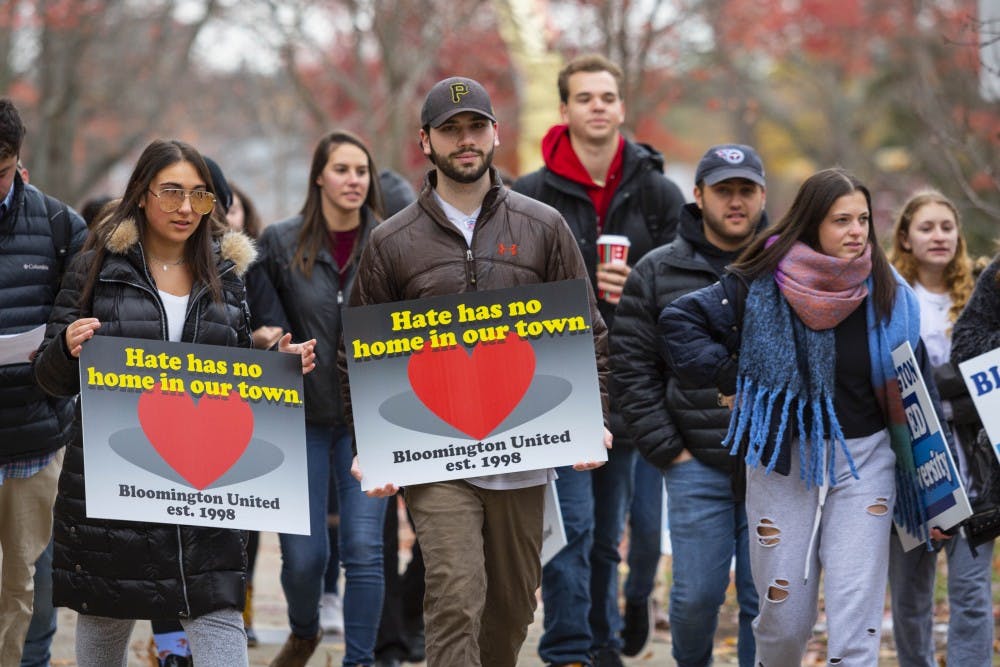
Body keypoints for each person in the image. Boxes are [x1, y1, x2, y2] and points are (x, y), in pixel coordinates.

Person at [342, 75, 611, 667]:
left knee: (513, 605)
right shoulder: (392, 241)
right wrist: (372, 445)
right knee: (456, 594)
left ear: (495, 132)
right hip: (433, 451)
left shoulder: (543, 225)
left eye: (475, 127)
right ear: (425, 141)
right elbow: (358, 353)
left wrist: (595, 419)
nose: (465, 140)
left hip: (524, 448)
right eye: (450, 130)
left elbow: (587, 330)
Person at [32, 138, 315, 667]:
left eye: (200, 196)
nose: (186, 208)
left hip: (205, 491)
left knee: (218, 614)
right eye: (171, 192)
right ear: (141, 194)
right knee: (107, 615)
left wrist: (279, 365)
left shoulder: (227, 276)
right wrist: (69, 348)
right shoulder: (95, 267)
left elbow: (235, 378)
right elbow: (50, 377)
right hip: (115, 487)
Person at [659, 168, 943, 665]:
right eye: (841, 221)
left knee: (857, 622)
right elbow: (678, 323)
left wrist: (938, 488)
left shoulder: (888, 292)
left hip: (867, 463)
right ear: (812, 224)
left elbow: (918, 390)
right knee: (784, 621)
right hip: (781, 460)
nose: (857, 231)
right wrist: (735, 376)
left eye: (863, 219)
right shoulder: (761, 282)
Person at [512, 53, 684, 667]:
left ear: (620, 107)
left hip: (633, 379)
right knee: (574, 529)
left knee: (614, 534)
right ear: (564, 110)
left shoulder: (659, 191)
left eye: (607, 97)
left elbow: (687, 283)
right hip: (558, 382)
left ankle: (610, 632)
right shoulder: (528, 195)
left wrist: (641, 281)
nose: (597, 107)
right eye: (585, 98)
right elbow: (507, 289)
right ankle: (570, 647)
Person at [613, 144, 768, 666]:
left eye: (746, 189)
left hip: (774, 463)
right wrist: (669, 450)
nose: (736, 201)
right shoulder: (656, 271)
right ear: (698, 196)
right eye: (723, 190)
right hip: (695, 462)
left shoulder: (790, 267)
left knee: (763, 600)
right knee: (697, 597)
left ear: (762, 195)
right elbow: (631, 368)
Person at [258, 129, 388, 667]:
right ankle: (305, 629)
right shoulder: (280, 242)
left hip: (372, 422)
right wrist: (268, 340)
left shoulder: (391, 238)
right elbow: (260, 320)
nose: (354, 180)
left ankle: (360, 660)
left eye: (362, 170)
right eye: (342, 169)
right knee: (305, 557)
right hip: (302, 419)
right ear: (319, 176)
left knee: (364, 551)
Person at [886, 191, 993, 666]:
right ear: (905, 237)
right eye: (927, 227)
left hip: (975, 457)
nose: (939, 236)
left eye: (947, 227)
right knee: (911, 593)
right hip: (909, 455)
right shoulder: (889, 296)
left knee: (972, 590)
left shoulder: (982, 290)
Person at [0, 99, 87, 667]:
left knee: (18, 586)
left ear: (16, 159)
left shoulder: (60, 227)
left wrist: (59, 346)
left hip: (31, 440)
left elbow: (75, 318)